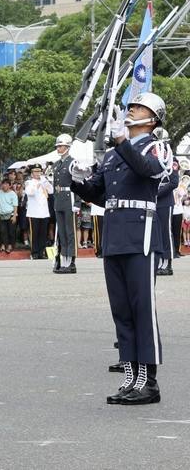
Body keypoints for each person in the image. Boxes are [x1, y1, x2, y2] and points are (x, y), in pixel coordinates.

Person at [71, 93, 172, 405]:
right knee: (122, 311)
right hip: (115, 234)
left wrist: (121, 142)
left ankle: (149, 382)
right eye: (130, 107)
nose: (131, 111)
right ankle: (131, 376)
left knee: (141, 309)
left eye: (138, 108)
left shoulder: (157, 147)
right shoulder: (115, 155)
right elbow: (101, 194)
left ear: (153, 118)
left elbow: (148, 171)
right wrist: (77, 179)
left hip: (140, 234)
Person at [52, 134, 80, 273]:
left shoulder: (73, 163)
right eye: (57, 146)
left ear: (68, 147)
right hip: (59, 199)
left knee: (70, 232)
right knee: (61, 232)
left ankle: (71, 261)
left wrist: (78, 203)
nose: (58, 148)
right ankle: (63, 260)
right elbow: (54, 185)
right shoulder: (57, 164)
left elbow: (78, 184)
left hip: (70, 199)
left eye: (61, 146)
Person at [153, 128, 178, 276]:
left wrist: (156, 194)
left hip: (164, 201)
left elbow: (173, 183)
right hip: (154, 201)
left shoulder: (171, 160)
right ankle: (159, 261)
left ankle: (167, 262)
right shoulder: (154, 159)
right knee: (156, 232)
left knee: (165, 231)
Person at [24, 165, 52, 260]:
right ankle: (34, 252)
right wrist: (37, 185)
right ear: (32, 174)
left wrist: (46, 182)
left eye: (39, 171)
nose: (37, 174)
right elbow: (30, 193)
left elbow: (51, 191)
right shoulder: (29, 182)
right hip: (34, 212)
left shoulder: (44, 181)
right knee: (34, 233)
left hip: (44, 212)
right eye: (35, 172)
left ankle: (41, 252)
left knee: (43, 234)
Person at [0, 179, 18, 253]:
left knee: (11, 232)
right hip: (2, 215)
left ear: (9, 185)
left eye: (6, 184)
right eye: (3, 184)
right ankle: (3, 246)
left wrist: (14, 216)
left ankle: (10, 246)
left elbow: (15, 206)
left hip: (11, 214)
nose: (4, 185)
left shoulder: (13, 194)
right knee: (2, 231)